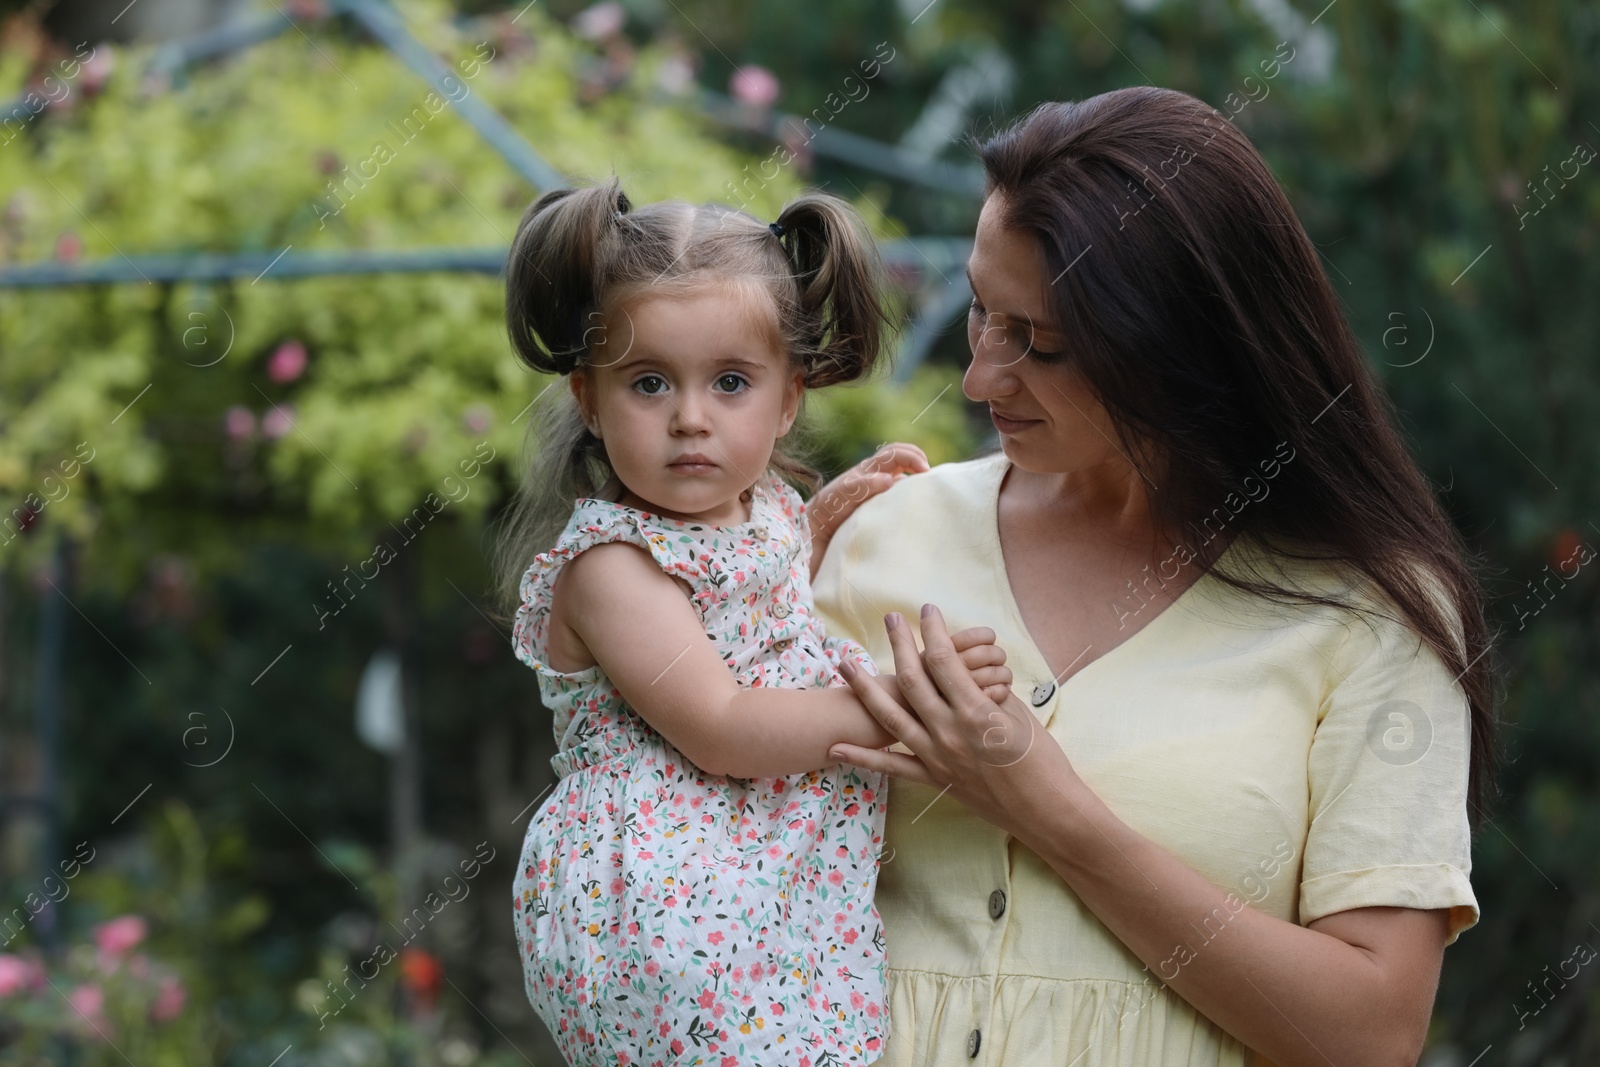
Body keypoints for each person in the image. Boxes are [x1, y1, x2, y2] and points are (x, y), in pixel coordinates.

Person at [811, 86, 1492, 1067]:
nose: (980, 379)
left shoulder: (1371, 607)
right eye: (978, 312)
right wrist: (754, 579)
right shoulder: (886, 530)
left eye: (1038, 344)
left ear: (1177, 347)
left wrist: (1047, 809)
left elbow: (1371, 1030)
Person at [492, 178, 1013, 1067]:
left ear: (787, 401)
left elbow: (740, 602)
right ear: (587, 397)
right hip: (667, 909)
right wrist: (903, 702)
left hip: (754, 889)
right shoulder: (612, 566)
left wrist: (820, 521)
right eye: (648, 383)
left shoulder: (755, 508)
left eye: (730, 383)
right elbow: (725, 724)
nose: (690, 418)